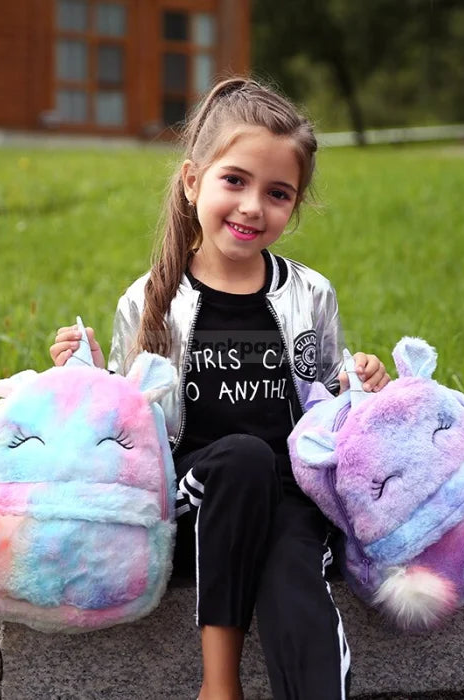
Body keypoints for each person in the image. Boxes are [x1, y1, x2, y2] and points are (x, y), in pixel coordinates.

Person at [50, 77, 390, 700]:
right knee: (241, 457)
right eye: (235, 180)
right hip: (194, 495)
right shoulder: (152, 298)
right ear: (191, 182)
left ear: (294, 205)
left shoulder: (309, 293)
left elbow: (326, 400)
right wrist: (87, 374)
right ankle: (219, 687)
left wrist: (363, 384)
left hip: (287, 492)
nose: (253, 206)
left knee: (296, 584)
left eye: (278, 193)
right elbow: (129, 418)